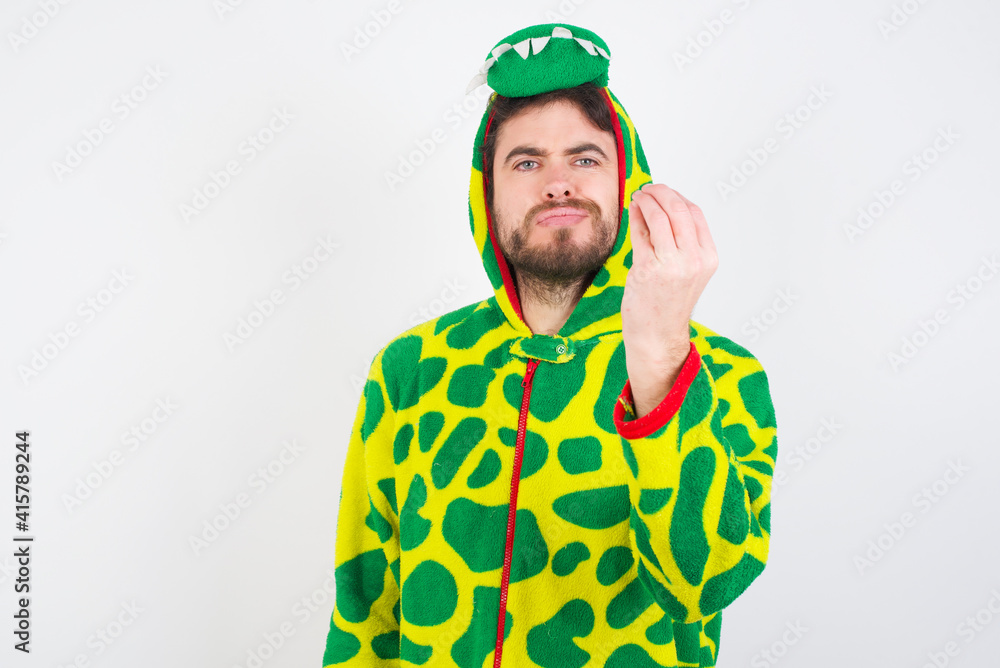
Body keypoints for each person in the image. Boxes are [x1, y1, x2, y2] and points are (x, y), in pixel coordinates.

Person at [322, 22, 778, 668]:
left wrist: (659, 357)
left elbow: (705, 582)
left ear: (627, 176)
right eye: (527, 161)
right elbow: (365, 618)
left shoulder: (724, 376)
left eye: (585, 158)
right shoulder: (408, 373)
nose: (558, 183)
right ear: (487, 191)